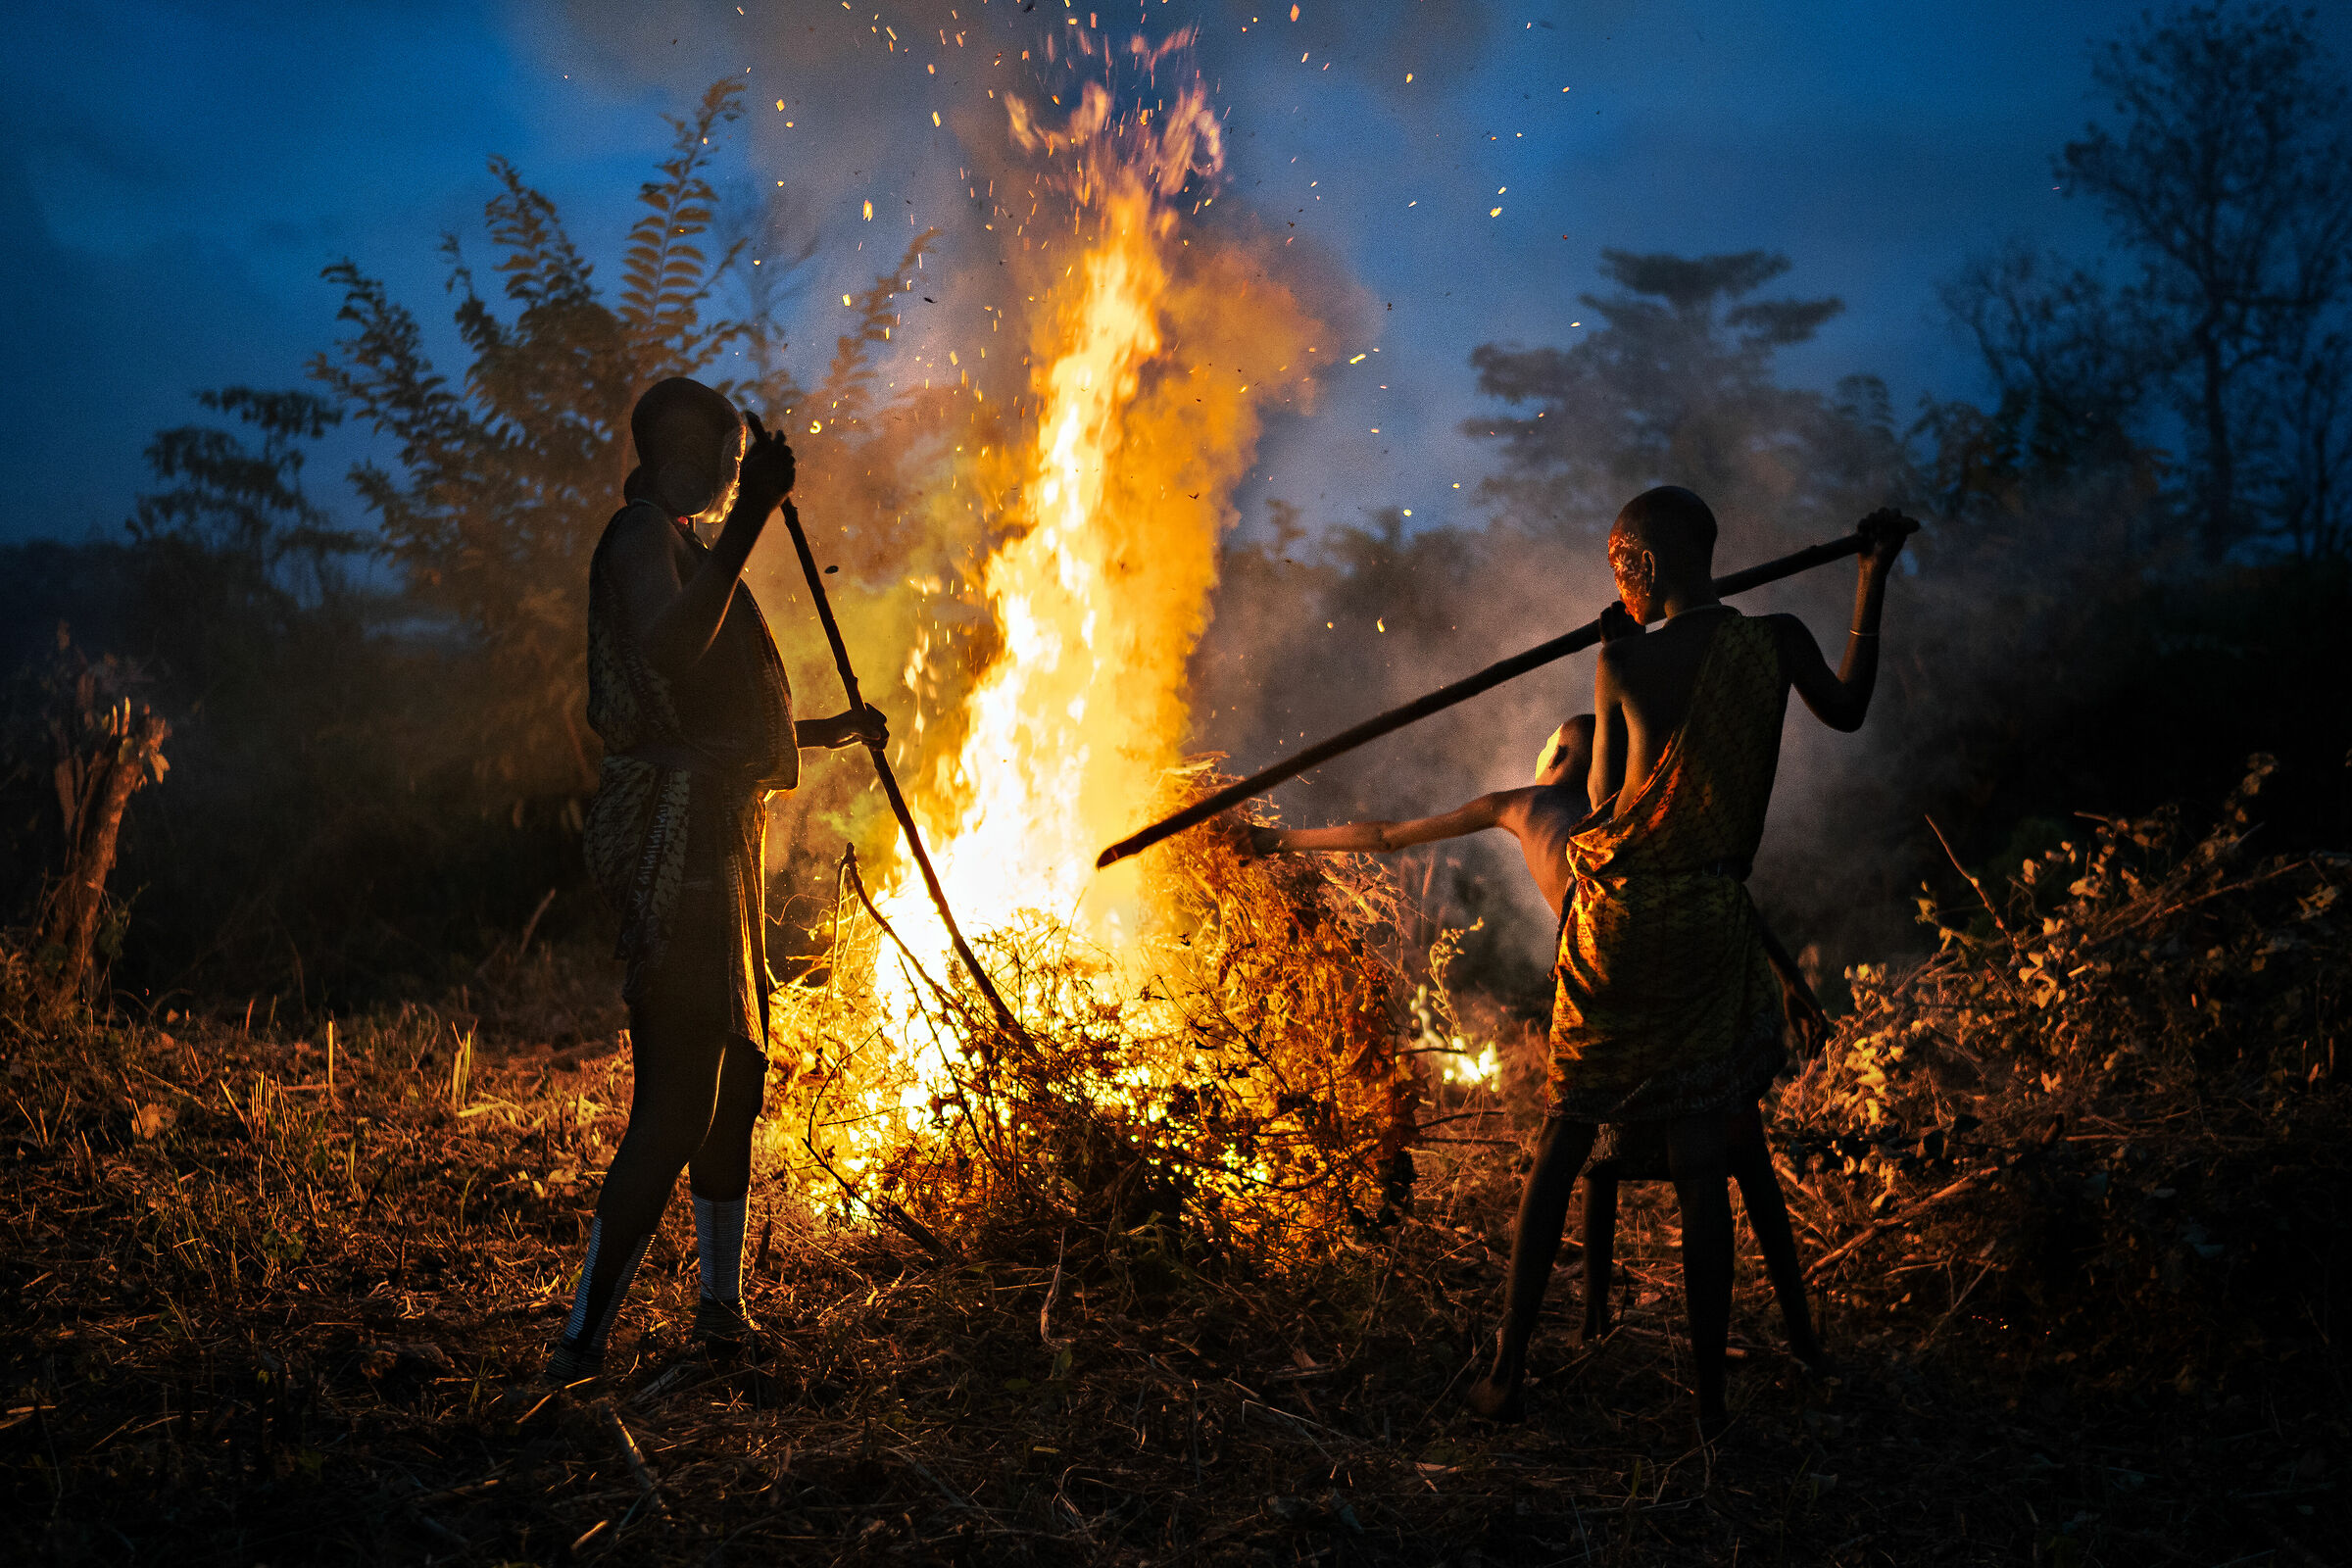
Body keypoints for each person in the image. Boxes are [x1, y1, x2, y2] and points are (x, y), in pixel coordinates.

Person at [1461, 486, 1910, 1436]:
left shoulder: (1623, 661)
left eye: (1619, 568)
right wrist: (1873, 576)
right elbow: (1852, 705)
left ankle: (1507, 1368)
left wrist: (1614, 653)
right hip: (1711, 917)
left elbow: (1618, 803)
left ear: (1644, 566)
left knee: (1566, 1135)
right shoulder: (1778, 638)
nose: (1617, 585)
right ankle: (1709, 1408)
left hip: (1622, 926)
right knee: (1705, 1159)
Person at [1245, 710, 1829, 1372]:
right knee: (1740, 1147)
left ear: (1556, 754)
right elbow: (1722, 886)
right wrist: (1792, 978)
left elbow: (1385, 836)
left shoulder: (1520, 803)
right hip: (1686, 961)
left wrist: (1276, 840)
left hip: (1607, 961)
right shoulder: (1629, 812)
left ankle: (1509, 1366)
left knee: (1572, 1135)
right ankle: (1798, 1344)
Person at [549, 377, 885, 1383]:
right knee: (681, 1094)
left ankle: (720, 1319)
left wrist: (829, 733)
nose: (736, 477)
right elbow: (669, 648)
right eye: (729, 461)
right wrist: (747, 522)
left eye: (742, 467)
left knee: (735, 1083)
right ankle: (578, 1345)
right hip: (678, 842)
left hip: (721, 834)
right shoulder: (637, 535)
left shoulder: (688, 542)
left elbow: (718, 715)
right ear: (676, 454)